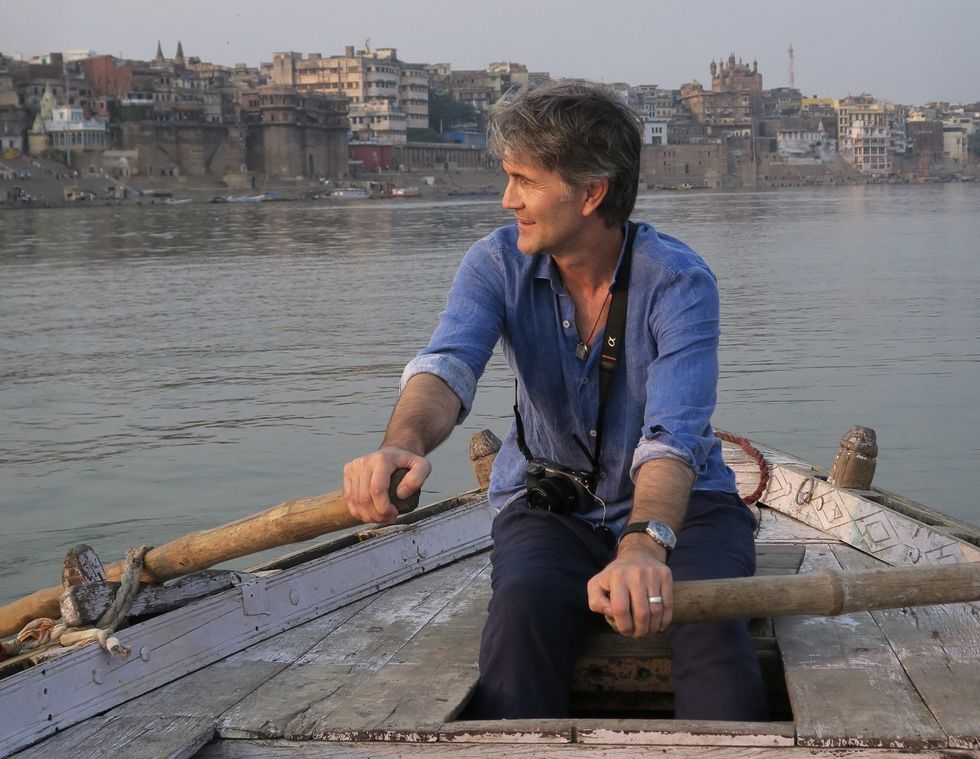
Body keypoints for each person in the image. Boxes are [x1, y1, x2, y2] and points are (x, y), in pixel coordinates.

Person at [344, 80, 768, 721]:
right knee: (521, 614)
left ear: (590, 193)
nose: (506, 198)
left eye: (524, 180)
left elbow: (672, 437)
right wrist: (399, 445)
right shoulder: (494, 264)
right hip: (551, 508)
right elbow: (449, 367)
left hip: (687, 511)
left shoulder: (679, 282)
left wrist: (644, 545)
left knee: (707, 626)